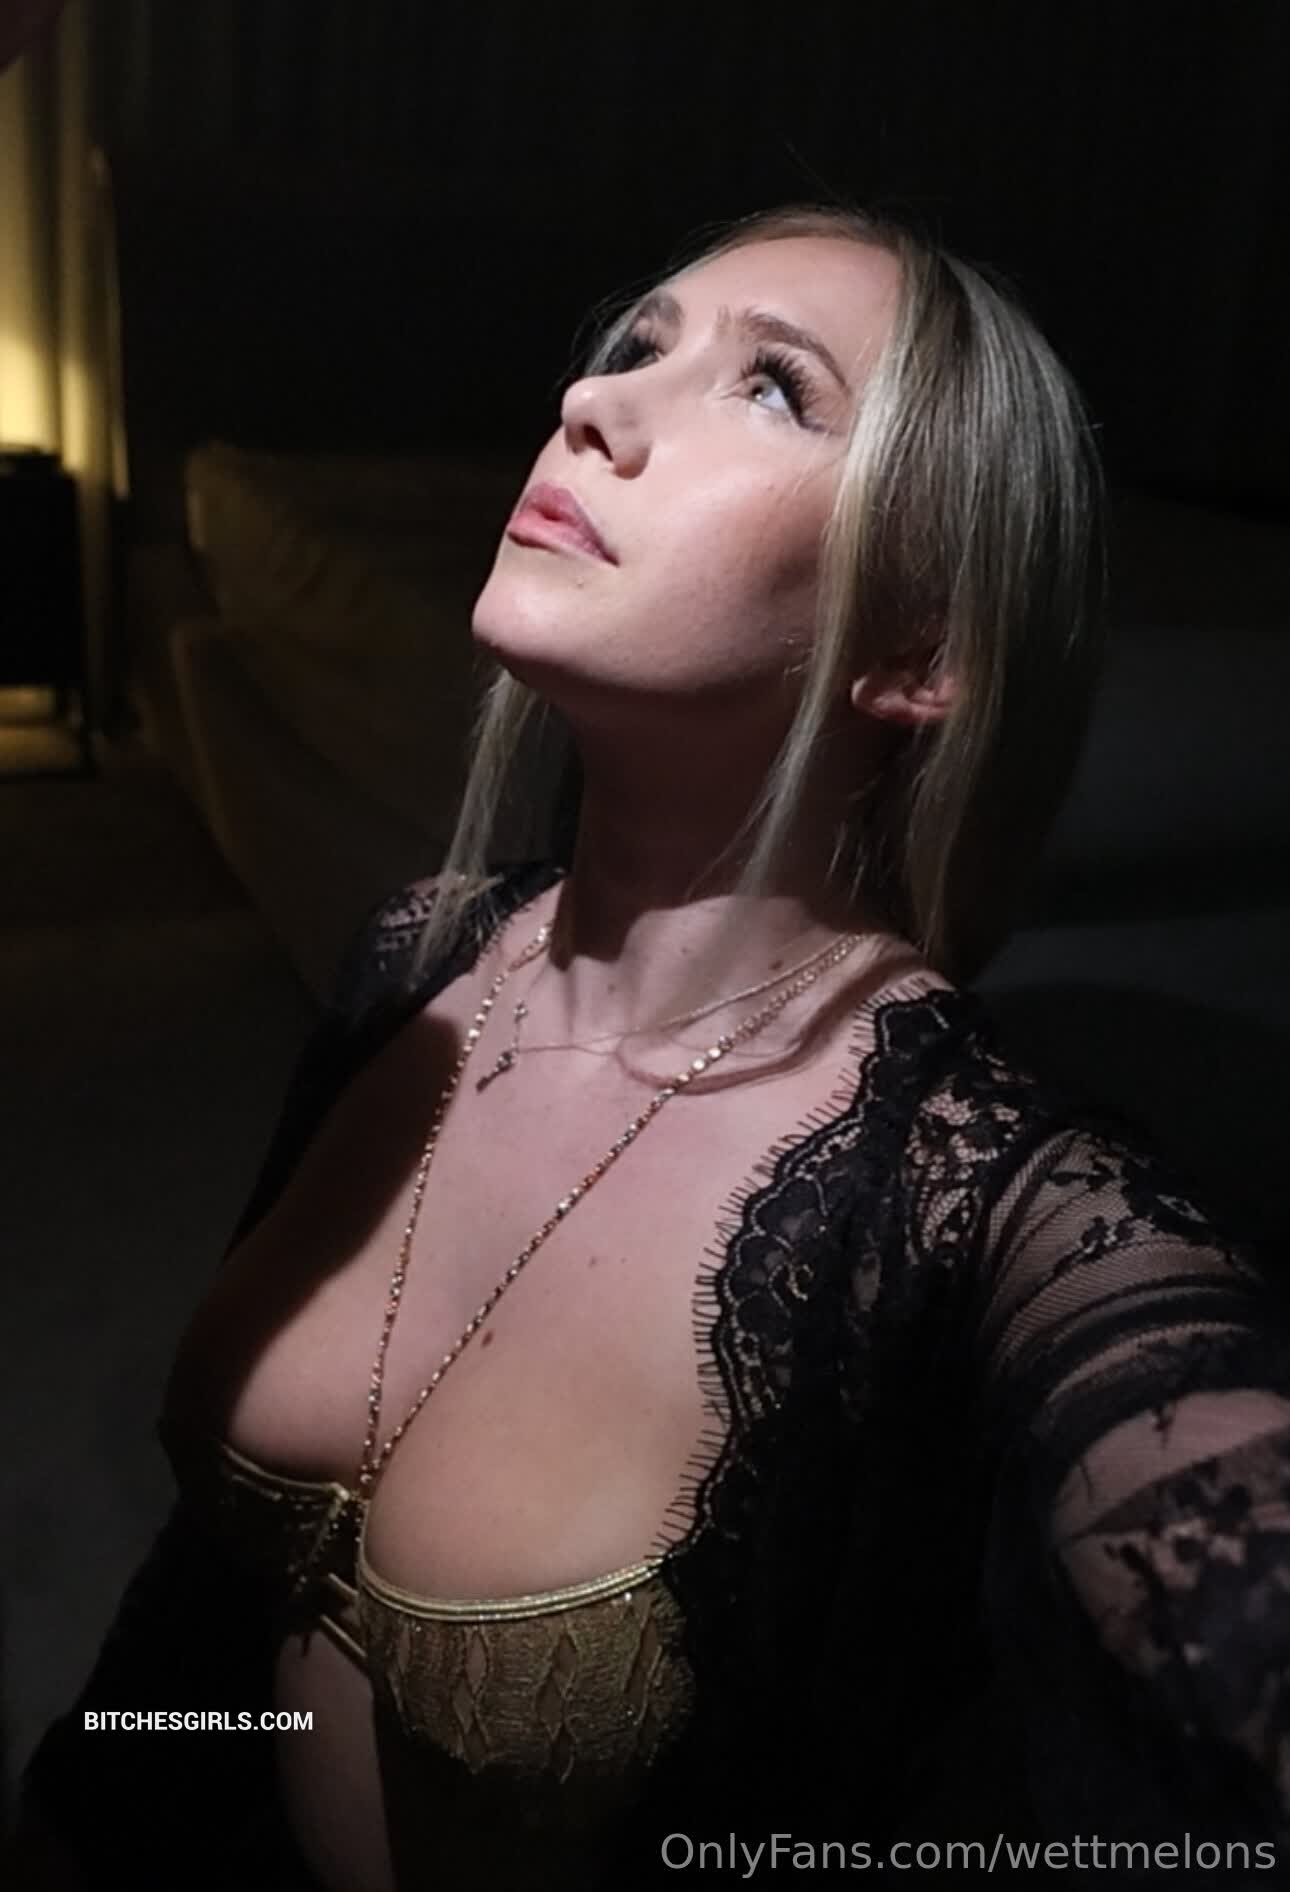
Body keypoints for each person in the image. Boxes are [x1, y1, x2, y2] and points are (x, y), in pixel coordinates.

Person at [11, 201, 1290, 1891]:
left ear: (916, 650)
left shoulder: (982, 1199)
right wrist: (80, 1810)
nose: (591, 403)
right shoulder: (420, 953)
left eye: (772, 387)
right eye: (635, 346)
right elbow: (214, 1613)